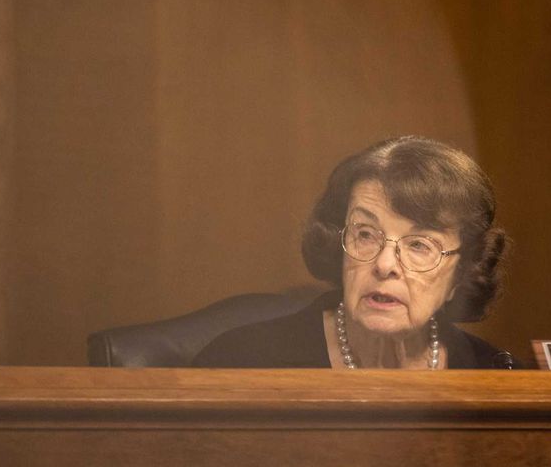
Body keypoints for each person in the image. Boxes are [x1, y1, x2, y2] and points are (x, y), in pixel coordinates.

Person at [193, 135, 517, 369]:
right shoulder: (241, 364)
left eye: (419, 245)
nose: (385, 264)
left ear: (462, 274)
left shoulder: (496, 377)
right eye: (366, 234)